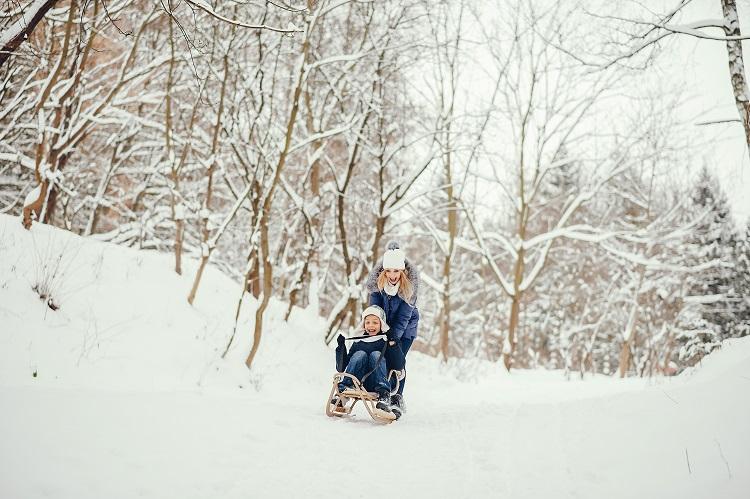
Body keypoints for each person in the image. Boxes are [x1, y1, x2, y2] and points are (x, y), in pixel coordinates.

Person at [366, 241, 420, 419]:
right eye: (388, 270)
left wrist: (393, 337)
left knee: (397, 359)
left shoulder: (409, 286)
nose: (392, 275)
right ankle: (384, 393)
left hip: (406, 328)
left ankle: (396, 397)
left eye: (396, 271)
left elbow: (404, 317)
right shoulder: (377, 284)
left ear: (402, 271)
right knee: (381, 357)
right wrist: (375, 327)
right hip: (385, 324)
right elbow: (375, 309)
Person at [332, 305, 393, 413]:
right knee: (360, 354)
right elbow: (341, 368)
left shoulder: (386, 341)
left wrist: (394, 345)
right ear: (363, 324)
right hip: (356, 382)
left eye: (375, 322)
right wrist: (341, 347)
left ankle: (384, 397)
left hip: (377, 383)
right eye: (367, 322)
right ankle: (343, 391)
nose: (371, 325)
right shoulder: (358, 341)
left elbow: (398, 365)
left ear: (381, 324)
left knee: (376, 355)